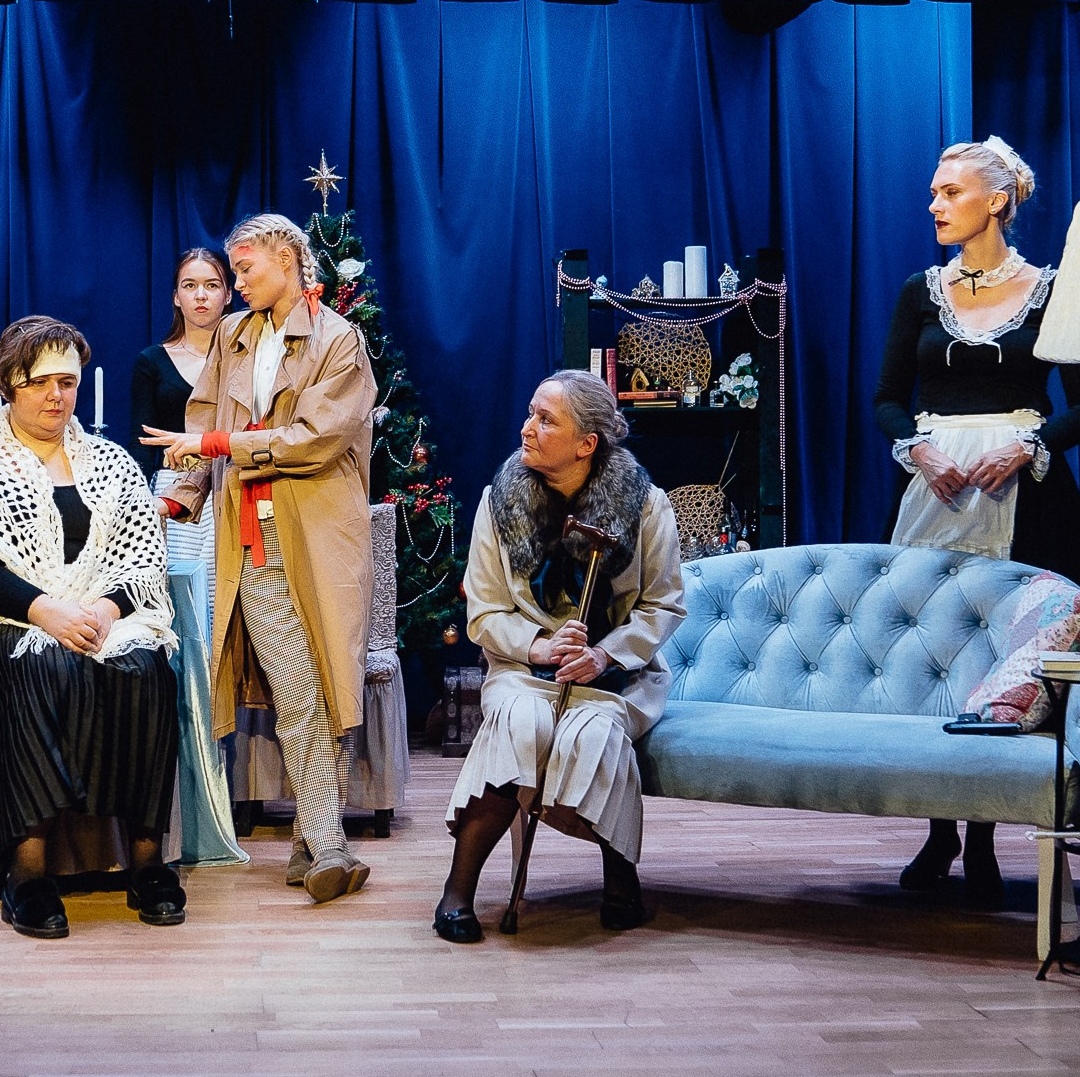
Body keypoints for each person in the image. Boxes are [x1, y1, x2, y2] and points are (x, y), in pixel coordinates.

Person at [873, 136, 1080, 905]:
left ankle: (986, 832)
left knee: (1008, 658)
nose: (934, 205)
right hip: (935, 494)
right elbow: (887, 398)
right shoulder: (919, 292)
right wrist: (917, 449)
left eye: (950, 192)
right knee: (932, 652)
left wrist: (1029, 444)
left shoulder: (1052, 290)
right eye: (934, 192)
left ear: (997, 200)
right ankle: (939, 827)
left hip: (1025, 496)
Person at [141, 212, 378, 903]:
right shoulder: (235, 336)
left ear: (288, 258)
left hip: (321, 535)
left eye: (245, 269)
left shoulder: (339, 340)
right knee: (298, 683)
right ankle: (326, 846)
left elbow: (317, 438)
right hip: (252, 539)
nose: (236, 282)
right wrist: (178, 499)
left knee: (326, 683)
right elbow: (203, 423)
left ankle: (314, 845)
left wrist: (223, 448)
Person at [0, 316, 183, 938]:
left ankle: (147, 863)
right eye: (39, 382)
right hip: (4, 623)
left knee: (147, 667)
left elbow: (143, 558)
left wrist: (105, 610)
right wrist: (45, 610)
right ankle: (27, 874)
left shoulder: (110, 462)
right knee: (40, 662)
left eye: (67, 382)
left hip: (98, 617)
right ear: (7, 385)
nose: (56, 396)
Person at [432, 371, 685, 943]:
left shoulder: (646, 506)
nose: (528, 428)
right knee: (521, 723)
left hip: (616, 677)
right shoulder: (499, 502)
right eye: (531, 413)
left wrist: (604, 655)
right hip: (523, 670)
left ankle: (621, 883)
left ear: (585, 444)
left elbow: (662, 604)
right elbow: (485, 611)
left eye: (546, 420)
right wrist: (539, 646)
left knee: (593, 733)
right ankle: (457, 891)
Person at [130, 249, 233, 569]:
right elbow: (141, 443)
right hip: (173, 487)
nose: (201, 295)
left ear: (229, 295)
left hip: (231, 483)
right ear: (176, 297)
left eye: (212, 285)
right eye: (190, 286)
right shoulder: (152, 361)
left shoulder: (246, 358)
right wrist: (136, 502)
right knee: (181, 585)